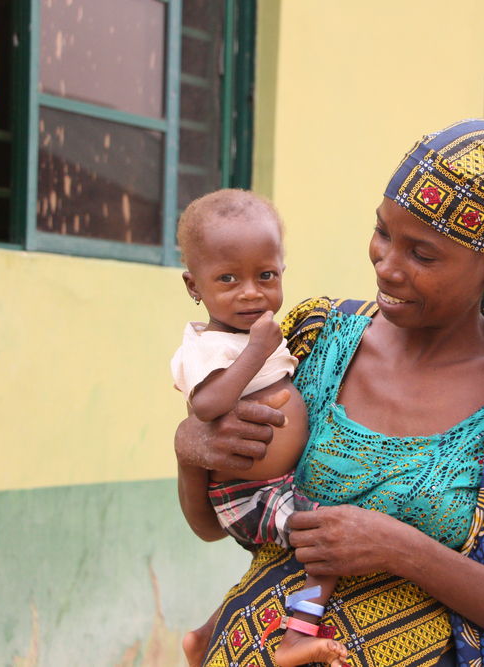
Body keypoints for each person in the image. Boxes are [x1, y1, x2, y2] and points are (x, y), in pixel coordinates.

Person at [174, 120, 484, 667]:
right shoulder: (315, 340)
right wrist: (191, 449)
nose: (387, 267)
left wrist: (401, 549)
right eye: (384, 233)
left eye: (423, 254)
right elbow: (214, 524)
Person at [170, 189, 348, 667]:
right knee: (329, 548)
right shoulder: (206, 347)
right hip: (247, 492)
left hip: (277, 486)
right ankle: (295, 639)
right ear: (194, 285)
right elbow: (206, 405)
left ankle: (205, 637)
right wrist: (256, 349)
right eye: (227, 279)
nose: (251, 292)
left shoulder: (264, 333)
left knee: (285, 563)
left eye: (265, 276)